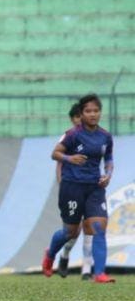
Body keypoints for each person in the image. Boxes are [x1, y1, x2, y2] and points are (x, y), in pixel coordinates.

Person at [43, 93, 114, 283]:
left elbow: (108, 158)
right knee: (70, 233)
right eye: (88, 111)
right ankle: (50, 254)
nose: (92, 114)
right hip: (72, 187)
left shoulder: (105, 136)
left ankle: (99, 273)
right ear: (81, 114)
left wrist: (107, 174)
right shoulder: (73, 134)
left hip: (94, 188)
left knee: (99, 227)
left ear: (100, 112)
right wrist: (69, 158)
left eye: (96, 110)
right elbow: (55, 153)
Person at [55, 102, 93, 279]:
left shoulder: (96, 136)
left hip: (91, 187)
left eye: (82, 116)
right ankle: (64, 256)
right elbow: (59, 162)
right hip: (72, 188)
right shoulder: (68, 137)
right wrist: (62, 184)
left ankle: (86, 269)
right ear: (72, 119)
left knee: (90, 226)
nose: (80, 120)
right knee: (73, 231)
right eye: (77, 117)